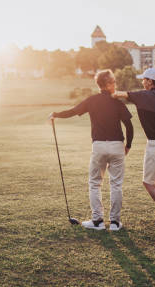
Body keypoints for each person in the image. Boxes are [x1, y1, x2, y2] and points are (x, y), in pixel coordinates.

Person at [49, 69, 133, 231]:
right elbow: (129, 126)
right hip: (116, 146)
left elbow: (73, 111)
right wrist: (128, 145)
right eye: (114, 82)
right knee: (116, 184)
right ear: (107, 84)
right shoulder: (118, 103)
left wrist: (55, 114)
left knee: (95, 183)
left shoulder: (92, 100)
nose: (115, 84)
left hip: (99, 146)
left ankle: (98, 221)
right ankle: (115, 223)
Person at [113, 67, 155, 231]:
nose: (142, 82)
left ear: (150, 81)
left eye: (144, 80)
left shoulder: (141, 96)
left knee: (147, 183)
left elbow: (118, 94)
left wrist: (108, 93)